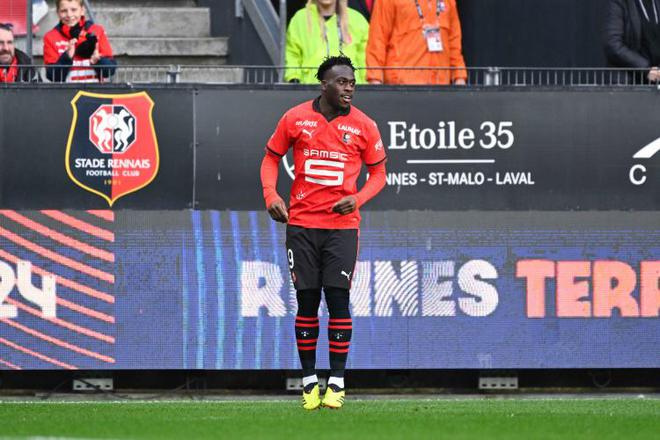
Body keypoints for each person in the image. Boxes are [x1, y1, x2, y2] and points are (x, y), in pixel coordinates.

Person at [260, 55, 387, 410]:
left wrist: (357, 199)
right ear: (324, 84)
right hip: (301, 225)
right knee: (306, 301)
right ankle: (308, 382)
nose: (349, 88)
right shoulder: (295, 118)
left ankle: (337, 382)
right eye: (342, 82)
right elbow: (271, 158)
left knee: (338, 300)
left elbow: (379, 174)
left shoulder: (364, 125)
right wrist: (271, 195)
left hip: (341, 229)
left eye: (352, 83)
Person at [366, 0, 467, 85]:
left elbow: (454, 44)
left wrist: (459, 78)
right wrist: (375, 80)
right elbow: (378, 39)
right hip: (401, 87)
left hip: (440, 87)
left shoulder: (449, 2)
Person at [285, 0, 369, 83]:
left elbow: (364, 59)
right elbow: (292, 54)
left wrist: (367, 87)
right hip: (311, 87)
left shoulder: (357, 20)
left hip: (352, 88)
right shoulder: (300, 19)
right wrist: (293, 78)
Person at [43, 0, 116, 83]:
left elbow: (110, 71)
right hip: (67, 91)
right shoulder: (50, 37)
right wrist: (67, 57)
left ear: (82, 11)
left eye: (74, 10)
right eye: (64, 11)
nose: (69, 15)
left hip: (94, 90)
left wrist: (98, 61)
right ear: (58, 13)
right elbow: (52, 76)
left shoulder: (97, 31)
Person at [605, 0, 660, 83]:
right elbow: (613, 44)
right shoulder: (621, 3)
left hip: (656, 81)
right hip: (627, 82)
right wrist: (646, 69)